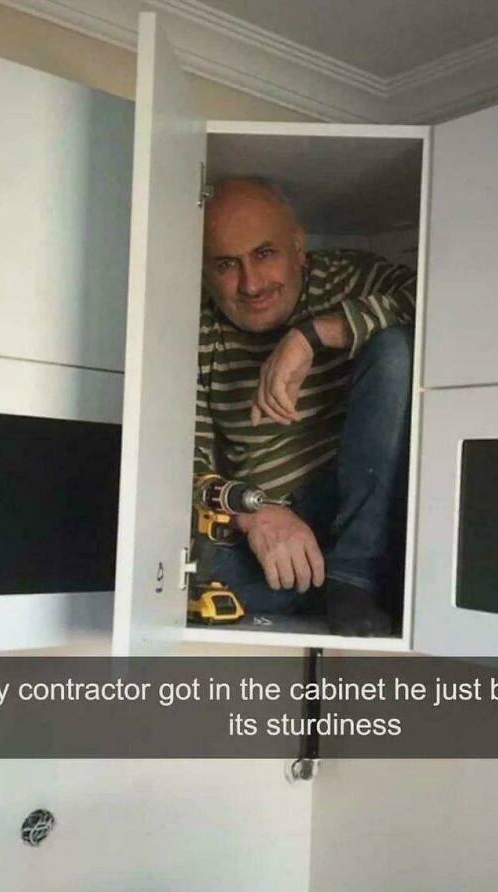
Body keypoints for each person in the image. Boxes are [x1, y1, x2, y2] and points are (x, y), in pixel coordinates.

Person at [194, 177, 415, 636]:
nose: (251, 284)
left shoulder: (346, 278)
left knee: (397, 348)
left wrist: (313, 335)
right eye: (227, 264)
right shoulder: (192, 328)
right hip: (270, 532)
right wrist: (253, 511)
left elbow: (445, 301)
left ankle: (354, 578)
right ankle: (347, 591)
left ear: (298, 247)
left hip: (365, 506)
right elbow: (177, 463)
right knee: (170, 575)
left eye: (264, 253)